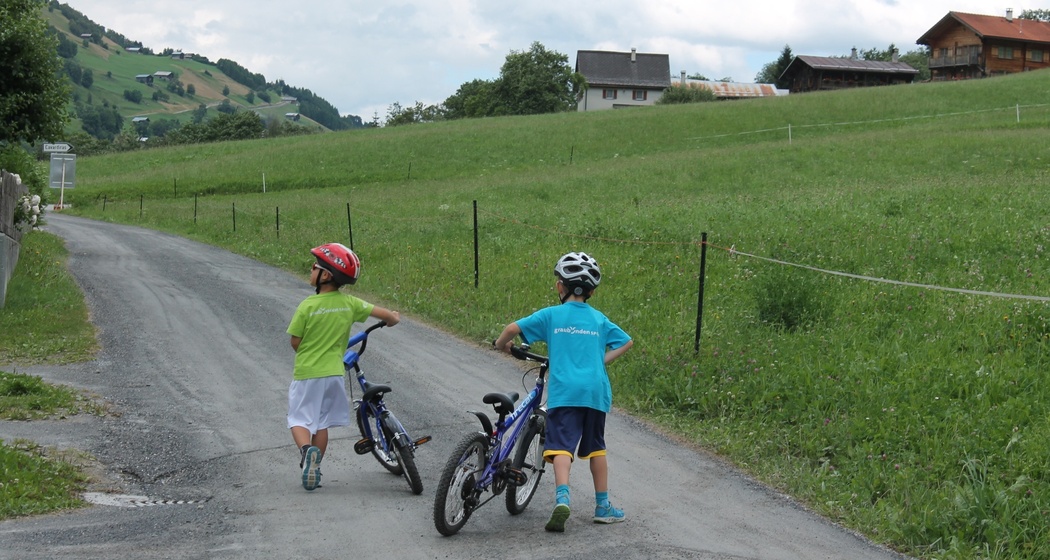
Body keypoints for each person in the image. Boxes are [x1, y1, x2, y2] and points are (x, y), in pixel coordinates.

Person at [493, 251, 633, 532]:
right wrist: (599, 361)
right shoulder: (599, 319)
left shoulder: (552, 315)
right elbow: (626, 341)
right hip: (595, 392)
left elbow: (511, 329)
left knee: (560, 448)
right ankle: (603, 506)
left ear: (560, 286)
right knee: (596, 449)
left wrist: (501, 345)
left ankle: (562, 499)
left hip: (565, 392)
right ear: (591, 291)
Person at [287, 242, 400, 491]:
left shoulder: (307, 306)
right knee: (321, 423)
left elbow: (295, 341)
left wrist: (307, 352)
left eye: (314, 267)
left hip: (307, 373)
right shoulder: (350, 304)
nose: (310, 270)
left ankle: (307, 453)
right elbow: (383, 314)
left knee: (298, 419)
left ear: (325, 275)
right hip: (334, 375)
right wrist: (393, 318)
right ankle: (316, 467)